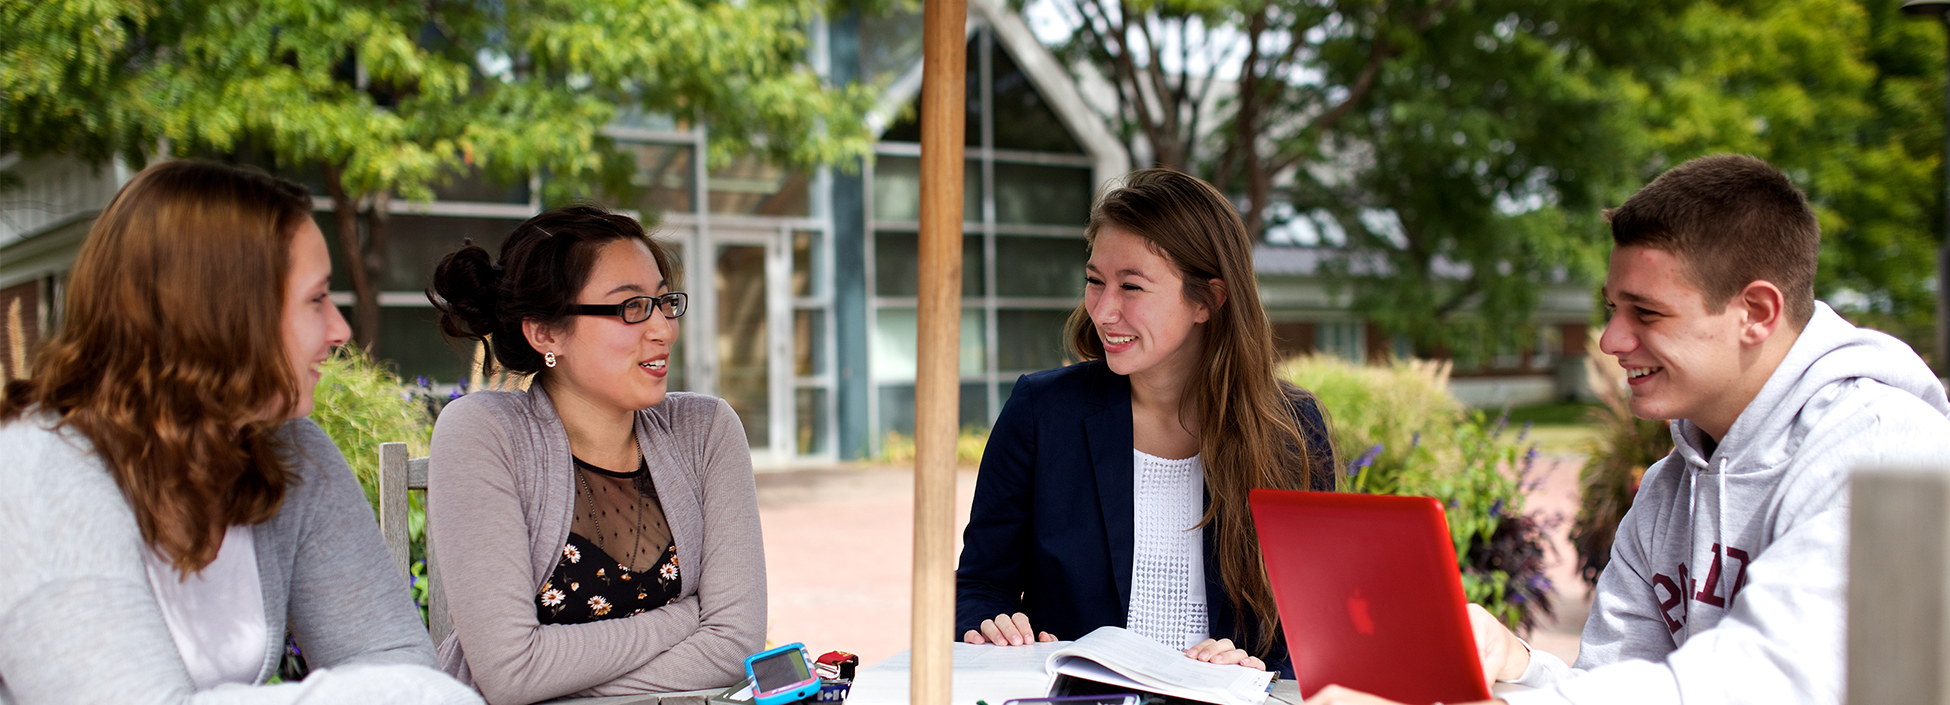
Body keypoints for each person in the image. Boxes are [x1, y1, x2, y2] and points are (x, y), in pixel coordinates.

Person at [1304, 155, 1950, 705]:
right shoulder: (1671, 485)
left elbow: (1770, 684)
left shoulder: (1895, 453)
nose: (1613, 340)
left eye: (1647, 312)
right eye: (1613, 309)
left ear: (1755, 311)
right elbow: (1613, 684)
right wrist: (1517, 665)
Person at [0, 160, 479, 704]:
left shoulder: (286, 448)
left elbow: (396, 661)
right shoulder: (37, 470)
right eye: (316, 299)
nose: (340, 331)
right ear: (221, 315)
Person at [955, 168, 1337, 674]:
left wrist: (1256, 669)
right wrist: (992, 624)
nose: (1103, 310)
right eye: (1095, 281)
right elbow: (979, 587)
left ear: (1208, 300)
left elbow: (1319, 627)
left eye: (1131, 287)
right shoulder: (1041, 412)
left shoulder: (1291, 430)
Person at [425, 205, 764, 705]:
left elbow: (735, 646)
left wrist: (554, 680)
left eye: (663, 301)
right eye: (631, 307)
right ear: (545, 332)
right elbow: (511, 672)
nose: (663, 330)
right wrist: (688, 617)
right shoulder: (484, 433)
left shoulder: (706, 430)